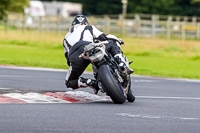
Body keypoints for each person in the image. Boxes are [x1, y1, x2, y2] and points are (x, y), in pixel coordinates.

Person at [63, 15, 134, 94]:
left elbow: (68, 60)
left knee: (69, 82)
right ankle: (122, 63)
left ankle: (89, 82)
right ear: (85, 23)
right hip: (88, 46)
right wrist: (117, 39)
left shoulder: (66, 37)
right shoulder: (88, 27)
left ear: (73, 24)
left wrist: (76, 65)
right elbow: (103, 36)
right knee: (112, 43)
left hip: (75, 55)